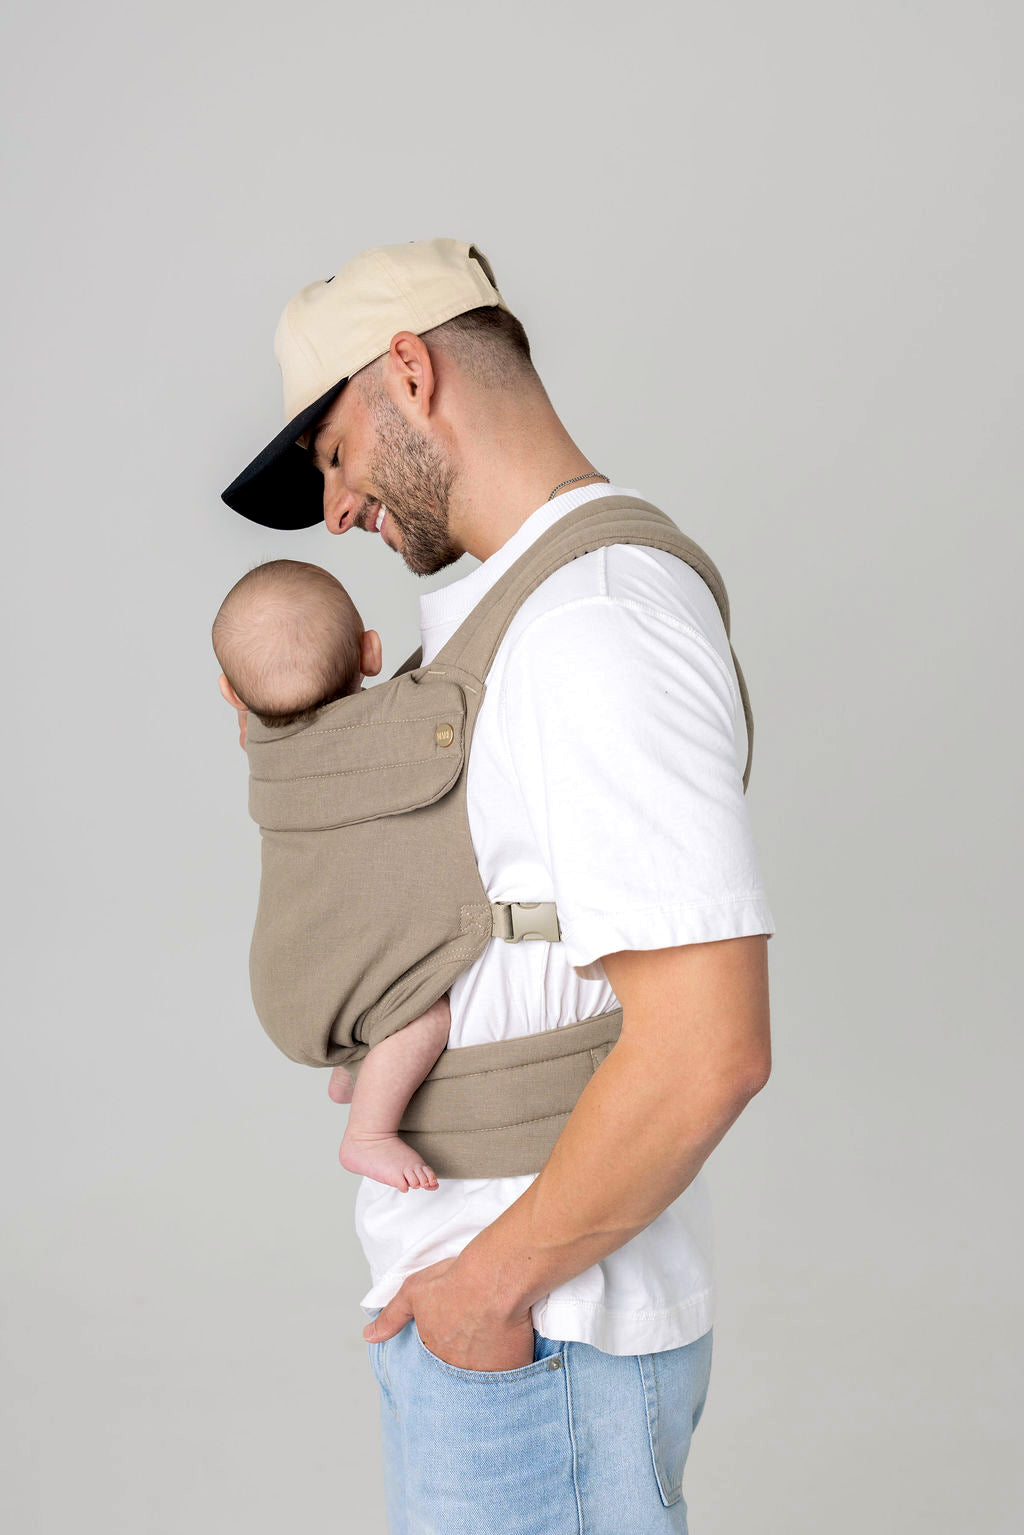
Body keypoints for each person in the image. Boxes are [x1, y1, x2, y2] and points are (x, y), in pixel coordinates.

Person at [220, 238, 775, 1534]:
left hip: (541, 1322)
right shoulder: (504, 619)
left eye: (335, 457)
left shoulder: (592, 620)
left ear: (408, 371)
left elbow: (710, 1048)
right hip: (502, 1308)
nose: (340, 509)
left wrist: (486, 1293)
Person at [211, 556, 452, 1193]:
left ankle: (354, 1066)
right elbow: (440, 688)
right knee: (425, 1016)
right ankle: (370, 1131)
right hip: (353, 982)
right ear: (372, 653)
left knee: (375, 1005)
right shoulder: (399, 724)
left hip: (281, 980)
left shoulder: (258, 745)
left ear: (231, 696)